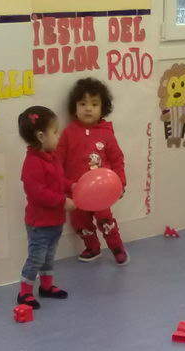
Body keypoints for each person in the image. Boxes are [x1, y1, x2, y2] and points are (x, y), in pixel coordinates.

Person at [56, 77, 129, 264]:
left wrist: (121, 182)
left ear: (102, 108)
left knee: (106, 220)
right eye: (83, 103)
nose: (88, 108)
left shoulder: (106, 133)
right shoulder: (68, 133)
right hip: (76, 191)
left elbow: (117, 158)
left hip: (102, 192)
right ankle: (92, 247)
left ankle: (117, 247)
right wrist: (62, 185)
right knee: (79, 222)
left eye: (94, 104)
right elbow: (58, 160)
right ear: (75, 107)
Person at [18, 105, 74, 309]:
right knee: (37, 257)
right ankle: (24, 293)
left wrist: (72, 186)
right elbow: (38, 193)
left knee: (49, 256)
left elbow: (59, 181)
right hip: (39, 223)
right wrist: (62, 201)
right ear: (41, 136)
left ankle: (46, 287)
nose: (58, 136)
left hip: (54, 221)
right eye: (55, 131)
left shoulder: (52, 158)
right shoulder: (32, 163)